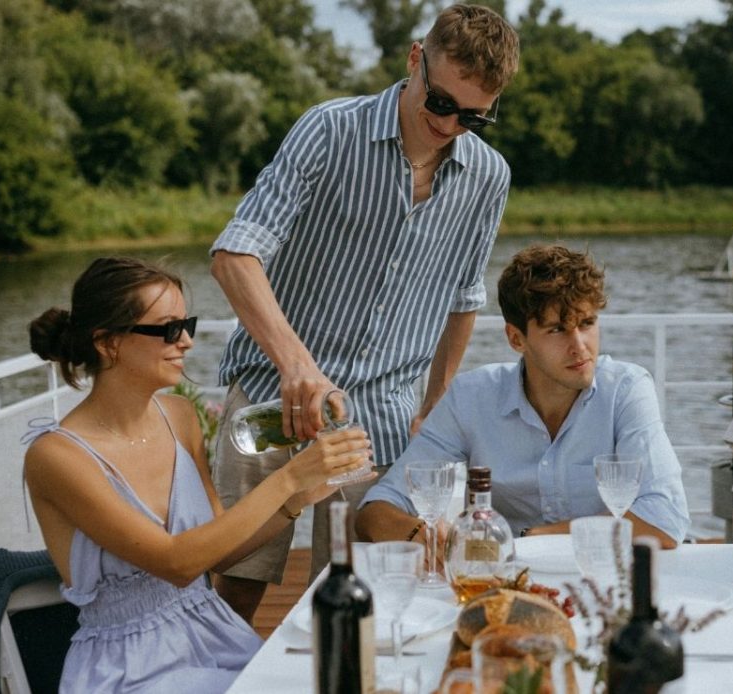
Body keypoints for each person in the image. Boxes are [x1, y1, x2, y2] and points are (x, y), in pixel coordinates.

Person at [207, 3, 520, 622]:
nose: (450, 125)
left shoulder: (489, 177)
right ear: (415, 59)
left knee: (365, 599)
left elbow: (463, 297)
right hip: (273, 400)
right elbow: (234, 255)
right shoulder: (328, 130)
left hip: (382, 419)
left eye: (472, 117)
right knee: (237, 587)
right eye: (440, 102)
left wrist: (435, 407)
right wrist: (298, 366)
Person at [23, 257, 372, 693]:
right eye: (168, 329)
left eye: (186, 324)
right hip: (129, 667)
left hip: (213, 633)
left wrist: (297, 499)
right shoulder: (56, 456)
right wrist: (288, 478)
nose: (186, 341)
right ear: (108, 342)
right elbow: (178, 563)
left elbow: (218, 555)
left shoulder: (179, 415)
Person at [356, 244, 690, 549]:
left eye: (587, 323)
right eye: (557, 330)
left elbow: (664, 518)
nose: (580, 346)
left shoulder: (626, 390)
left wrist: (533, 538)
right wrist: (420, 534)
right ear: (516, 339)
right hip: (507, 579)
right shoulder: (471, 397)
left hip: (604, 573)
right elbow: (375, 511)